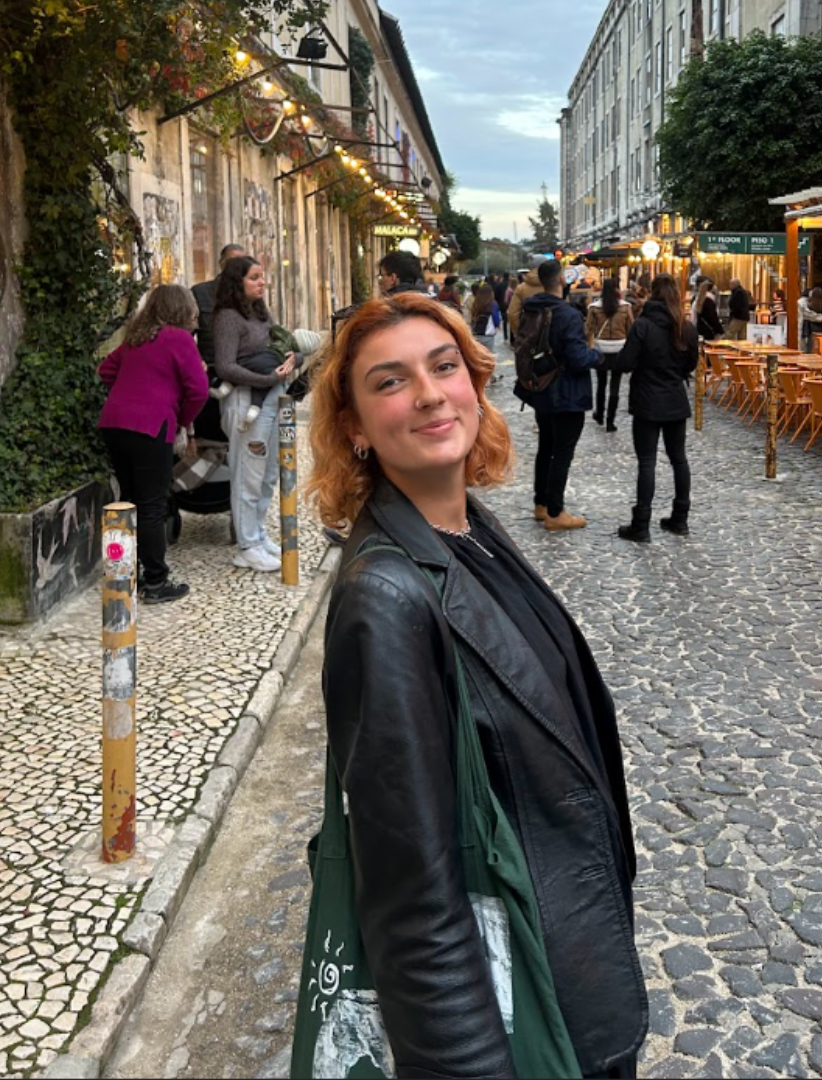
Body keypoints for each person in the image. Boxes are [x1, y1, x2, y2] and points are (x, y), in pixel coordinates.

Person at [305, 293, 647, 1078]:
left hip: (566, 963)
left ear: (475, 382)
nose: (428, 393)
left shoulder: (466, 528)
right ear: (355, 427)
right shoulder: (385, 601)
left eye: (444, 366)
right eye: (389, 382)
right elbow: (410, 901)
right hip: (522, 1012)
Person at [97, 284, 209, 604]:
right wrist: (180, 420)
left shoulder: (136, 339)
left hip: (115, 425)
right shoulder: (180, 339)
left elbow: (105, 370)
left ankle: (124, 576)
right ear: (181, 309)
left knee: (128, 500)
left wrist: (132, 389)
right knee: (152, 506)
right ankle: (156, 582)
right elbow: (199, 391)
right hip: (152, 427)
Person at [214, 255, 297, 573]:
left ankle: (258, 536)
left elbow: (283, 344)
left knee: (268, 474)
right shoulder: (228, 317)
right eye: (254, 277)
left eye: (262, 276)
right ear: (238, 282)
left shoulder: (261, 313)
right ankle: (246, 545)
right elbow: (225, 365)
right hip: (244, 400)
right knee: (248, 474)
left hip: (274, 401)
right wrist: (267, 379)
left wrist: (294, 358)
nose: (262, 282)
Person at [516, 259, 602, 531]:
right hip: (567, 392)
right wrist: (597, 356)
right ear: (562, 281)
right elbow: (577, 358)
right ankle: (555, 512)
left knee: (546, 448)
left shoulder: (531, 309)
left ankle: (540, 503)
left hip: (540, 387)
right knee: (562, 453)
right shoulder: (567, 314)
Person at [614, 274, 699, 543]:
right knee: (679, 460)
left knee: (647, 462)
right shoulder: (685, 327)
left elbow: (627, 362)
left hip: (647, 401)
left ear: (652, 294)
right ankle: (680, 518)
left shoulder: (643, 325)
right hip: (674, 399)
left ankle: (641, 524)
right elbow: (690, 365)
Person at [210, 325, 319, 430]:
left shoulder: (285, 337)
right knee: (260, 392)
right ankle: (253, 412)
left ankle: (223, 390)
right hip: (272, 370)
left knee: (241, 369)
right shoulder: (294, 353)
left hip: (262, 359)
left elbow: (273, 329)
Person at [585, 278, 634, 432]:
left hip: (601, 349)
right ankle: (610, 421)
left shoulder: (594, 308)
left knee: (601, 384)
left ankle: (599, 413)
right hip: (619, 349)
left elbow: (587, 330)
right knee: (615, 386)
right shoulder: (626, 308)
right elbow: (631, 329)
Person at [191, 243, 246, 368]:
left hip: (245, 370)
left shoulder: (251, 295)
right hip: (211, 369)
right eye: (232, 261)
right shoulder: (200, 293)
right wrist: (197, 360)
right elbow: (185, 335)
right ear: (221, 264)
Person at [507, 256, 545, 335]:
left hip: (528, 333)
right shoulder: (554, 285)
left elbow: (512, 314)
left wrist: (520, 333)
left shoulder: (521, 288)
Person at [470, 282, 502, 362]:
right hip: (488, 334)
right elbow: (496, 318)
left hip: (476, 333)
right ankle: (489, 374)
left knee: (479, 357)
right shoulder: (492, 303)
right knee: (489, 356)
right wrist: (497, 325)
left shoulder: (476, 302)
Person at [694, 278, 724, 342]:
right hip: (709, 331)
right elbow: (713, 317)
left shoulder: (699, 299)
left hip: (700, 328)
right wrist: (719, 330)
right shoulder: (709, 301)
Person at [798, 287, 822, 352]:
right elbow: (807, 314)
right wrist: (821, 317)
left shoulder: (809, 304)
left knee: (810, 346)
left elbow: (807, 314)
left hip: (810, 329)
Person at [492, 272, 510, 340]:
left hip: (502, 305)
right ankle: (511, 336)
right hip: (509, 304)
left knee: (504, 320)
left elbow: (496, 295)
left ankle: (505, 335)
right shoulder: (510, 284)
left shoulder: (499, 285)